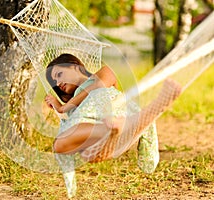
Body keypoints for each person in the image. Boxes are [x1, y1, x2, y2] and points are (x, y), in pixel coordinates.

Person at [44, 53, 181, 197]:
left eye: (59, 75)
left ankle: (149, 110)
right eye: (55, 82)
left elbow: (102, 83)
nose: (58, 84)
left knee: (90, 113)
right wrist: (61, 111)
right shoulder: (73, 106)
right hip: (105, 133)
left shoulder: (98, 76)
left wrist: (64, 107)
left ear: (74, 66)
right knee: (59, 145)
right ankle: (112, 128)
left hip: (114, 110)